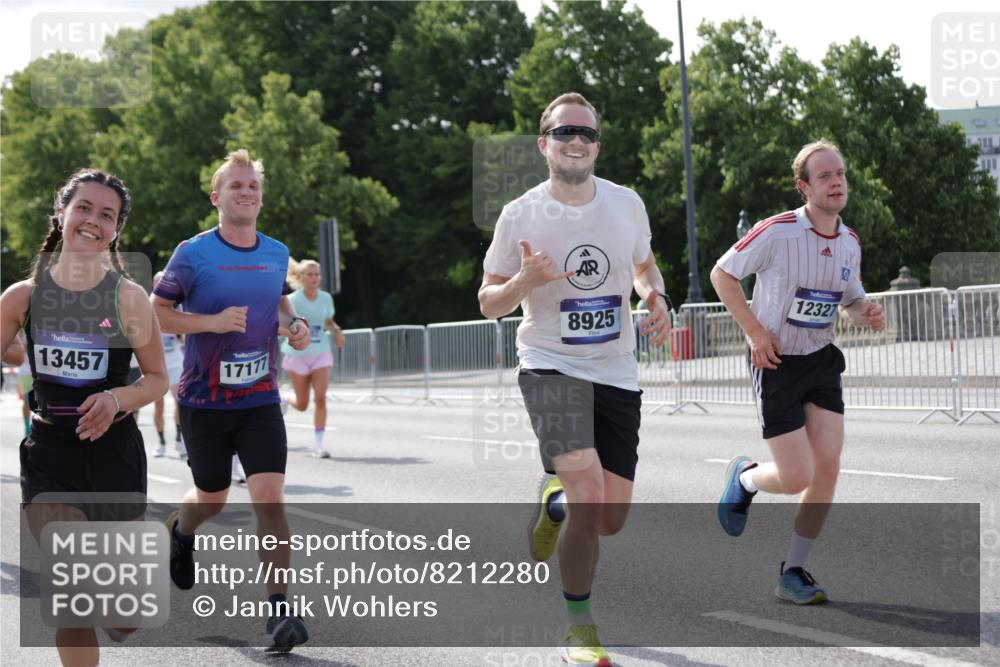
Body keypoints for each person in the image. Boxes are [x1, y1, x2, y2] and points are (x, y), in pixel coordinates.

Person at [479, 92, 670, 667]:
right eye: (564, 132)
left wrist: (655, 296)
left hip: (615, 369)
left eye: (586, 132)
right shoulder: (520, 213)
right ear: (545, 145)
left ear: (597, 145)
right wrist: (521, 283)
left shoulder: (626, 204)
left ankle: (551, 500)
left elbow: (643, 267)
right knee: (588, 489)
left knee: (609, 518)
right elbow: (489, 301)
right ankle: (579, 628)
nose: (576, 140)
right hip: (549, 363)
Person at [0, 168, 168, 667]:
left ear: (116, 231)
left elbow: (158, 379)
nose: (94, 220)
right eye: (85, 208)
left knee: (123, 616)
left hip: (114, 455)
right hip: (51, 454)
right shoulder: (22, 298)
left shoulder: (128, 298)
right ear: (62, 213)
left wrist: (116, 400)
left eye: (107, 214)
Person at [710, 139, 885, 604]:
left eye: (841, 174)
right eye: (825, 176)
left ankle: (794, 570)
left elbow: (847, 300)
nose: (836, 182)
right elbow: (722, 275)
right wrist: (754, 332)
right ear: (803, 186)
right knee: (796, 477)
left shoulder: (849, 241)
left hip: (821, 361)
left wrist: (864, 312)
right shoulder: (777, 231)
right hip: (777, 363)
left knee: (826, 469)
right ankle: (746, 477)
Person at [151, 149, 312, 654]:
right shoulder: (192, 253)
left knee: (269, 497)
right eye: (236, 186)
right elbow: (157, 313)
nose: (247, 192)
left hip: (260, 397)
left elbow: (278, 303)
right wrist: (210, 323)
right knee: (213, 498)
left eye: (253, 186)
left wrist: (294, 326)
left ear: (261, 198)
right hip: (203, 401)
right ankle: (180, 530)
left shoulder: (277, 252)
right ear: (217, 197)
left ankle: (279, 613)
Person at [280, 258, 345, 458]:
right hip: (297, 355)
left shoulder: (326, 298)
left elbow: (328, 321)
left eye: (317, 274)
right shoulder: (292, 300)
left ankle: (319, 444)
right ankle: (284, 397)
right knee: (302, 404)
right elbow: (283, 323)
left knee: (321, 397)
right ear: (301, 277)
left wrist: (337, 331)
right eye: (310, 274)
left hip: (320, 353)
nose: (314, 278)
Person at [151, 270, 187, 458]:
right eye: (158, 282)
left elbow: (185, 337)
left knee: (180, 402)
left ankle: (179, 440)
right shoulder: (148, 306)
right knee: (159, 406)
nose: (161, 285)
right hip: (156, 363)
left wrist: (182, 334)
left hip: (175, 362)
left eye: (164, 282)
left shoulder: (176, 306)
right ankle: (161, 442)